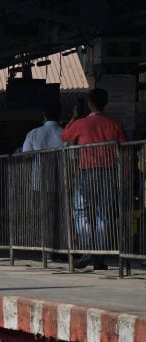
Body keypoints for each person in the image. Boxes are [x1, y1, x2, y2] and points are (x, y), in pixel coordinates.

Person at [61, 87, 126, 271]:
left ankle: (87, 248)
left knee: (82, 211)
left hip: (87, 172)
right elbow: (123, 149)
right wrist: (125, 175)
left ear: (90, 104)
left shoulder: (81, 123)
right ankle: (100, 256)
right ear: (105, 104)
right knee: (103, 215)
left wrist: (74, 117)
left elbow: (65, 135)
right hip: (109, 172)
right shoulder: (115, 124)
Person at [21, 102, 66, 254]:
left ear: (44, 116)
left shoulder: (34, 133)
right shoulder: (64, 133)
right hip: (60, 180)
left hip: (39, 180)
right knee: (60, 215)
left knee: (43, 214)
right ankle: (59, 247)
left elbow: (26, 155)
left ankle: (46, 248)